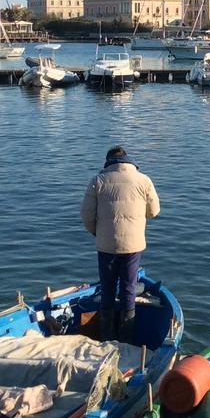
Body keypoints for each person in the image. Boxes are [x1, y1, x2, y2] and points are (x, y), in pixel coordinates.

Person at [80, 145, 160, 344]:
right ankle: (126, 338)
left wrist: (95, 232)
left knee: (107, 287)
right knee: (128, 287)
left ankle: (107, 336)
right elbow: (154, 211)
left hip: (105, 245)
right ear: (128, 160)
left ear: (107, 162)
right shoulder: (144, 180)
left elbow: (86, 215)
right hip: (133, 245)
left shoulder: (97, 181)